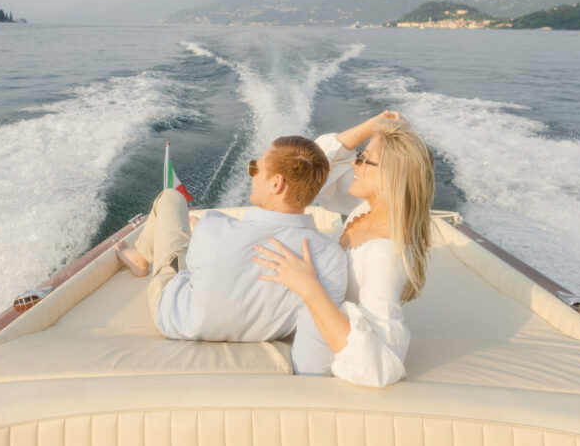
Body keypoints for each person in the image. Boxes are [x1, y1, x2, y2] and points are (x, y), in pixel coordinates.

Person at [115, 136, 348, 375]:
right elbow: (312, 365)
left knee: (171, 198)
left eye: (255, 168)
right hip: (258, 332)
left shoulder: (214, 227)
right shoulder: (330, 258)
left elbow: (191, 274)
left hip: (176, 320)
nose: (252, 176)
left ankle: (140, 259)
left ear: (276, 183)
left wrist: (202, 233)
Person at [253, 111, 434, 387]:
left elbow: (379, 365)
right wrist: (372, 126)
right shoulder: (367, 208)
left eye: (363, 159)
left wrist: (308, 287)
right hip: (306, 312)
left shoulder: (383, 255)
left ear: (390, 176)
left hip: (319, 337)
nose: (354, 163)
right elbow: (313, 169)